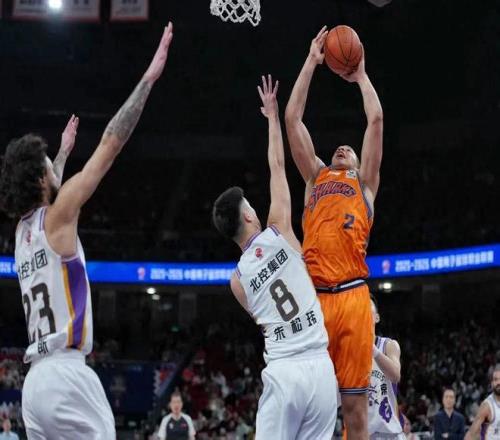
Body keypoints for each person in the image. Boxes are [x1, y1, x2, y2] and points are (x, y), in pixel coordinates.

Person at [0, 23, 174, 439]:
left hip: (34, 386)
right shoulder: (58, 216)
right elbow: (110, 144)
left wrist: (60, 154)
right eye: (48, 164)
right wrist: (148, 79)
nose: (53, 166)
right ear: (41, 180)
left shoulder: (22, 234)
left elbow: (47, 190)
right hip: (67, 375)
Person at [212, 75, 337, 440]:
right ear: (249, 215)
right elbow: (277, 165)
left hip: (284, 370)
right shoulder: (279, 228)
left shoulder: (237, 281)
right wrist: (271, 117)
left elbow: (263, 321)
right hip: (320, 366)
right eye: (250, 204)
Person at [285, 26, 383, 439]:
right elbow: (292, 119)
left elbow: (375, 119)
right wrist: (311, 62)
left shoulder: (365, 185)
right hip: (316, 299)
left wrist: (361, 77)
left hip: (355, 297)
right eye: (339, 147)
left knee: (355, 411)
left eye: (350, 149)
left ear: (359, 163)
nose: (343, 148)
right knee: (312, 406)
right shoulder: (315, 177)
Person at [368, 298, 404, 439]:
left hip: (390, 433)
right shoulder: (350, 351)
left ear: (377, 317)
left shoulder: (389, 345)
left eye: (368, 307)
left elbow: (395, 376)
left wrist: (373, 350)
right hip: (364, 434)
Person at [465, 365, 500, 440]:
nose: (498, 382)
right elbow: (471, 435)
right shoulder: (487, 406)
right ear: (492, 383)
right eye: (496, 379)